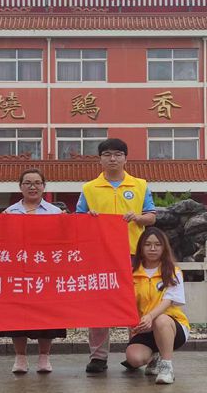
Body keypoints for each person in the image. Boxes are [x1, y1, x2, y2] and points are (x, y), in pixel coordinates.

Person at [76, 138, 156, 373]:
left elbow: (152, 216)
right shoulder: (89, 188)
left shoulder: (140, 185)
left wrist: (138, 218)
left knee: (136, 303)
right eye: (107, 154)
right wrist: (88, 217)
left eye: (118, 154)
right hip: (99, 255)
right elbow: (77, 219)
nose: (113, 159)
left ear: (125, 158)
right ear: (100, 159)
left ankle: (137, 351)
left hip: (132, 254)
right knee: (99, 305)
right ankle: (98, 357)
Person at [0, 168, 66, 374]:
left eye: (37, 183)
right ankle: (20, 357)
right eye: (27, 183)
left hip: (46, 271)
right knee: (17, 315)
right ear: (20, 187)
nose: (32, 187)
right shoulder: (9, 213)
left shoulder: (56, 213)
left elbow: (65, 241)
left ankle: (44, 356)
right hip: (17, 271)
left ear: (44, 186)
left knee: (47, 315)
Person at [122, 227, 189, 384]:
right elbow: (127, 303)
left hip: (171, 326)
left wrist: (150, 317)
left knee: (161, 320)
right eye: (148, 244)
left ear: (164, 247)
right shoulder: (131, 272)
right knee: (134, 358)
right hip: (144, 327)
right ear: (140, 247)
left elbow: (168, 300)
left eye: (157, 244)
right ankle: (155, 357)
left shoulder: (173, 271)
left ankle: (166, 366)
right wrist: (134, 326)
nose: (152, 248)